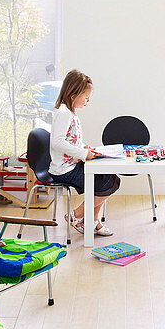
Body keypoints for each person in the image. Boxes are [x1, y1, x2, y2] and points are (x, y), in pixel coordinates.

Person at [49, 69, 120, 237]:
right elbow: (57, 142)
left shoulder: (71, 113)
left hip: (72, 164)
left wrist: (84, 148)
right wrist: (82, 153)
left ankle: (93, 221)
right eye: (86, 97)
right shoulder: (64, 113)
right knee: (107, 182)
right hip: (64, 170)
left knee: (110, 178)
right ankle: (77, 215)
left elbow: (70, 139)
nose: (88, 101)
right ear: (73, 95)